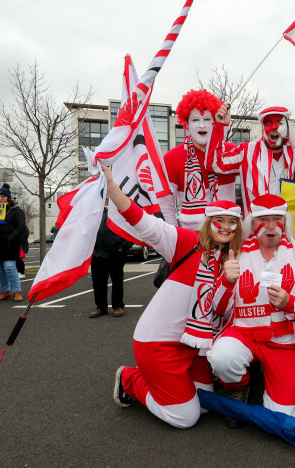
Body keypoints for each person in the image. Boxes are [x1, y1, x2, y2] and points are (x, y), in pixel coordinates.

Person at [105, 161, 245, 429]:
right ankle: (129, 379)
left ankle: (169, 388)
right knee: (185, 417)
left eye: (232, 222)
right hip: (159, 343)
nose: (226, 227)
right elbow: (146, 225)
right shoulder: (187, 242)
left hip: (195, 346)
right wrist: (113, 188)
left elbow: (219, 309)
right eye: (220, 221)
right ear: (209, 222)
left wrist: (228, 280)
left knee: (204, 406)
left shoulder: (232, 259)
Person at [206, 194, 295, 425]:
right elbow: (218, 308)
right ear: (252, 223)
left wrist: (290, 303)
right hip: (244, 332)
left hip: (285, 339)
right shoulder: (235, 251)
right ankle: (238, 385)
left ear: (285, 222)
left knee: (283, 419)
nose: (271, 226)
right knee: (222, 357)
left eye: (277, 219)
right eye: (263, 219)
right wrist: (226, 281)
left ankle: (276, 379)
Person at [207, 105, 295, 216]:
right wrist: (219, 126)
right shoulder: (247, 151)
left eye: (280, 123)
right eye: (268, 123)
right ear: (262, 129)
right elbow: (215, 164)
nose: (274, 127)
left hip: (287, 228)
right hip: (254, 229)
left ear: (288, 130)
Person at [164, 89, 237, 230]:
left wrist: (223, 129)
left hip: (228, 235)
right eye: (195, 120)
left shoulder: (232, 152)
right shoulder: (171, 158)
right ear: (186, 123)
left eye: (207, 119)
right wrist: (175, 240)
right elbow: (166, 205)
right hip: (191, 239)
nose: (202, 125)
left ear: (215, 120)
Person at [89, 199, 133, 318]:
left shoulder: (120, 212)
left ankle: (118, 306)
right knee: (98, 282)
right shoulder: (97, 212)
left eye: (109, 194)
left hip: (115, 253)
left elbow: (132, 229)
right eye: (105, 195)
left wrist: (123, 246)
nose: (107, 197)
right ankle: (101, 307)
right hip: (97, 253)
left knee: (117, 281)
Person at [0, 184, 26, 302]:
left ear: (8, 198)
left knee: (9, 266)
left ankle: (17, 292)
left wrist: (10, 238)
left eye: (3, 196)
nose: (0, 198)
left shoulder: (16, 211)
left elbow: (21, 227)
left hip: (10, 243)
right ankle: (5, 292)